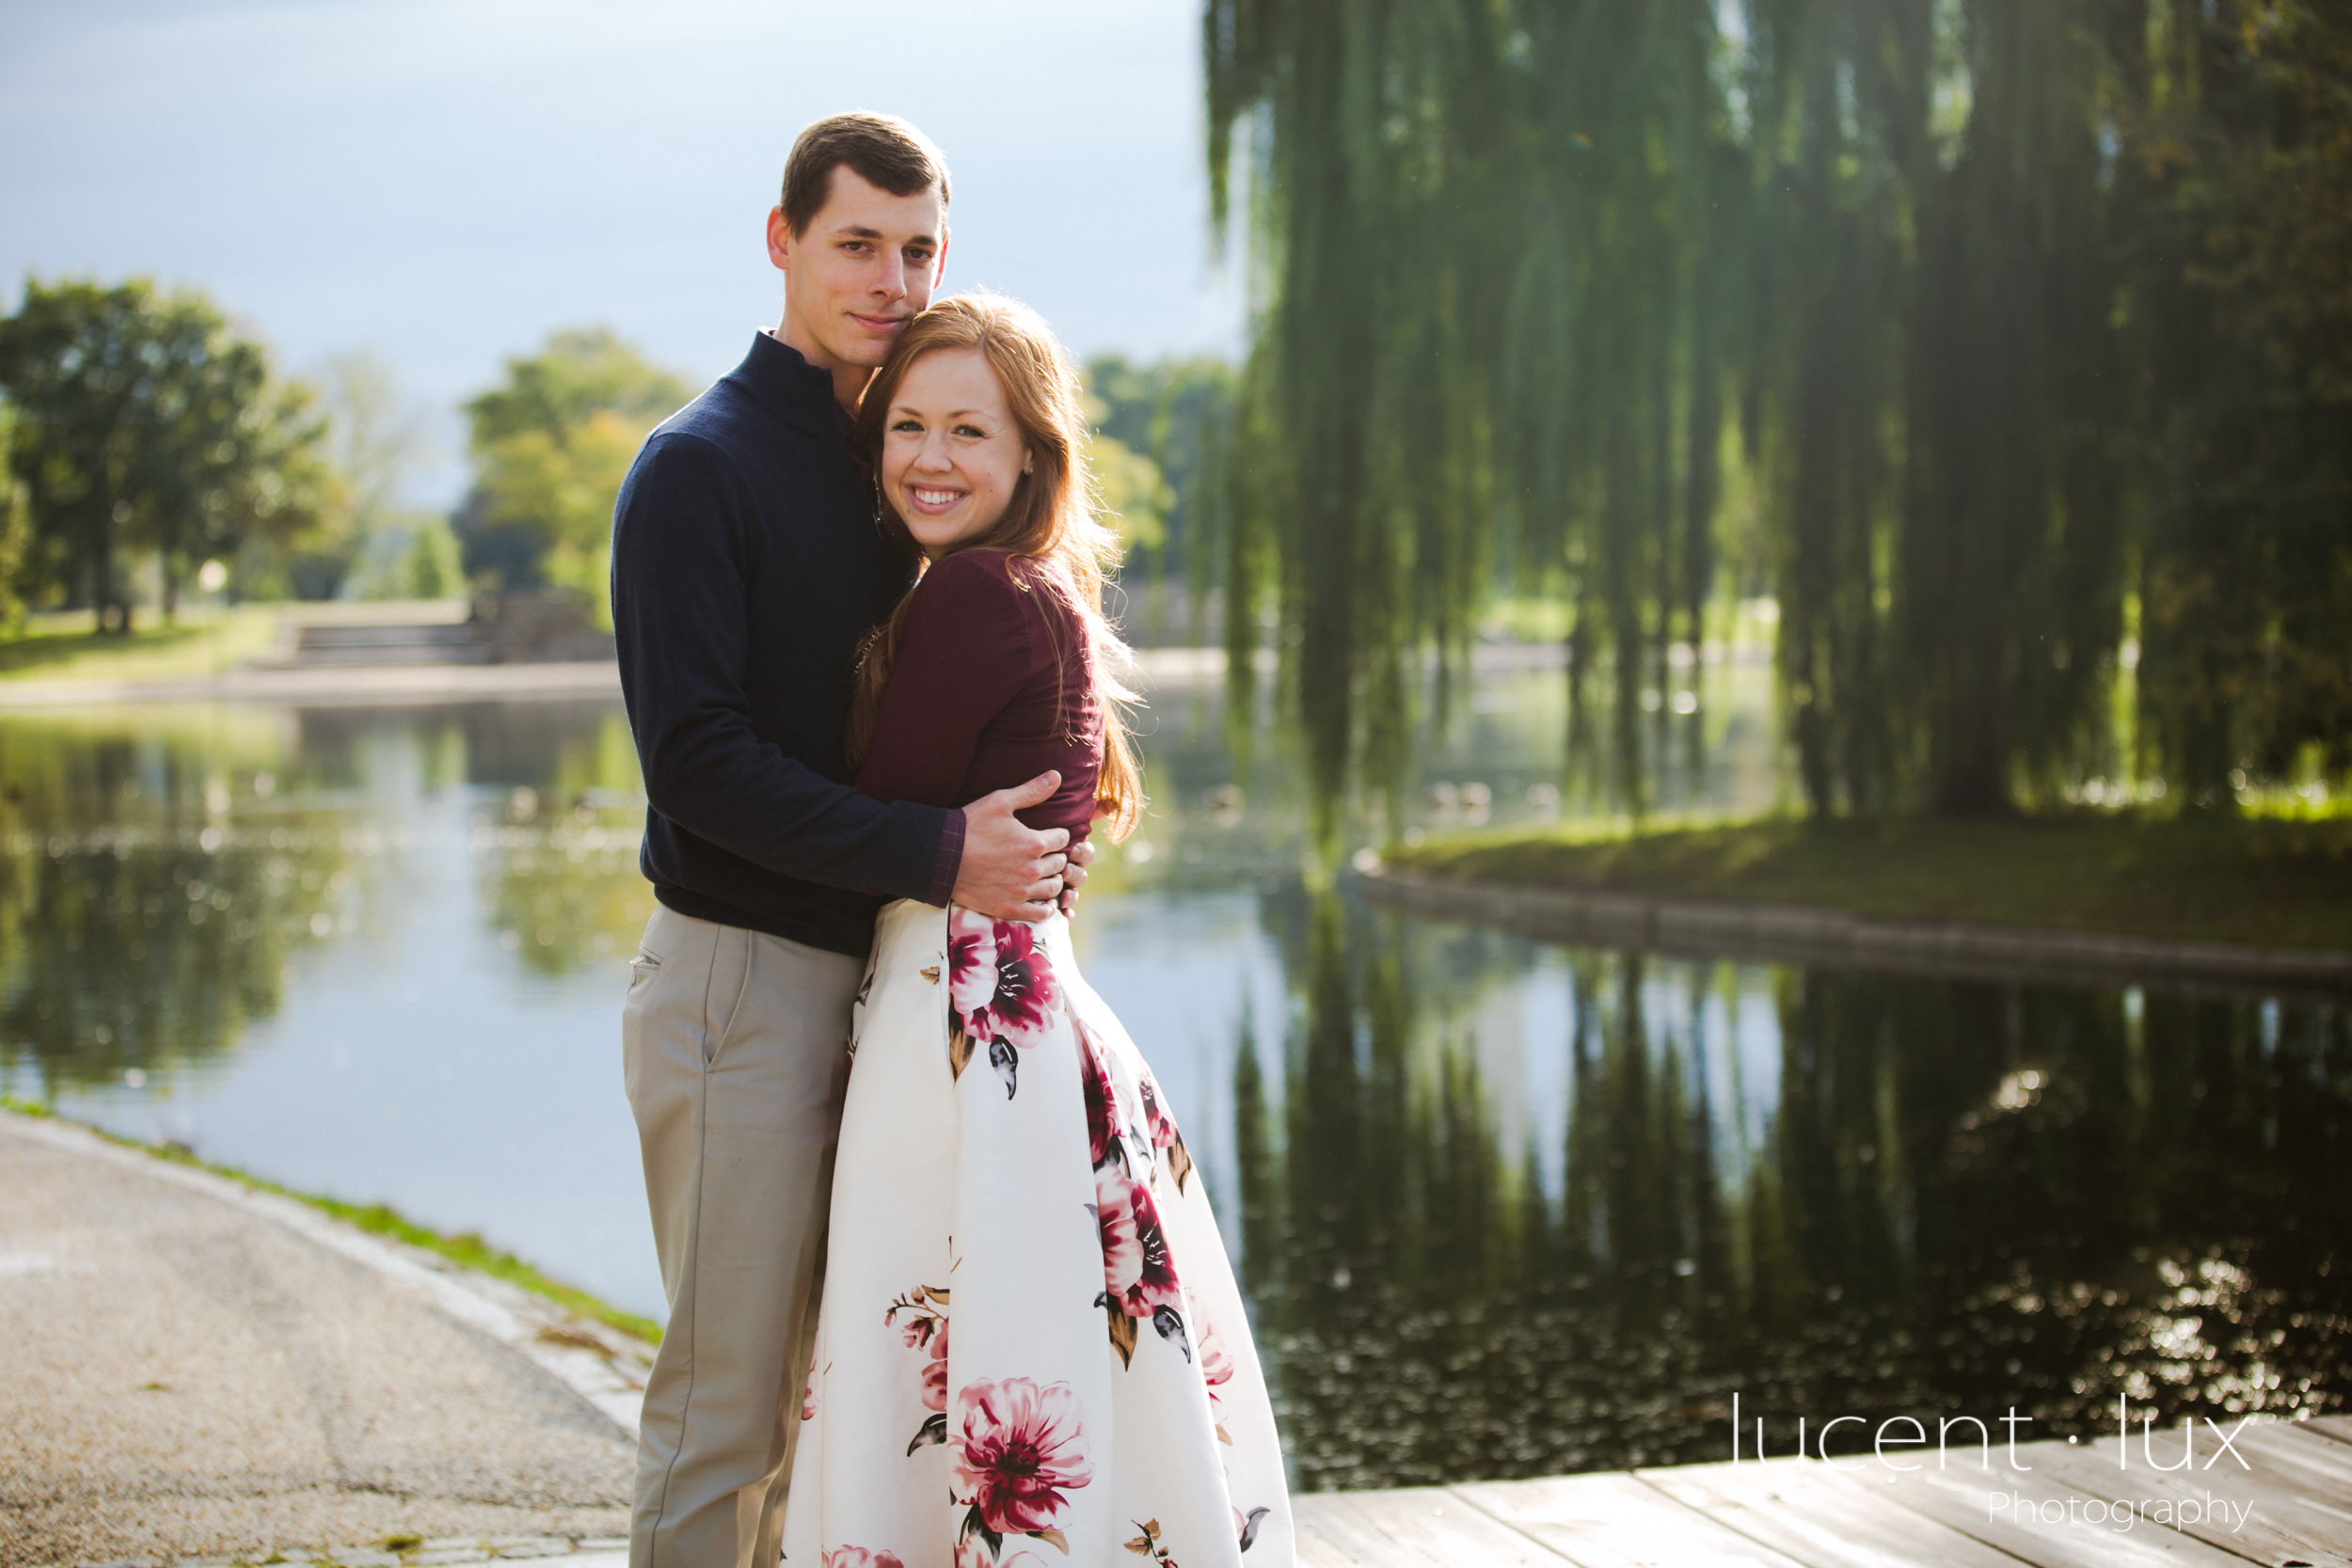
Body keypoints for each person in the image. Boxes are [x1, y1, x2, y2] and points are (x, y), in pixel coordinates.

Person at [610, 114, 1094, 1568]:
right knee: (726, 1418)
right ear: (784, 243)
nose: (890, 278)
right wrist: (942, 855)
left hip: (889, 997)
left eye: (919, 248)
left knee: (842, 1413)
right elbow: (699, 768)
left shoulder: (896, 456)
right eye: (856, 245)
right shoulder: (698, 468)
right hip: (740, 986)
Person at [779, 293, 1294, 1568]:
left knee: (972, 1346)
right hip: (1014, 1008)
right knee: (1033, 1342)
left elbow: (874, 822)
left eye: (969, 430)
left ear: (1030, 458)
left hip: (963, 1026)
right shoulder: (1028, 588)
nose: (931, 458)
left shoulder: (968, 601)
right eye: (907, 425)